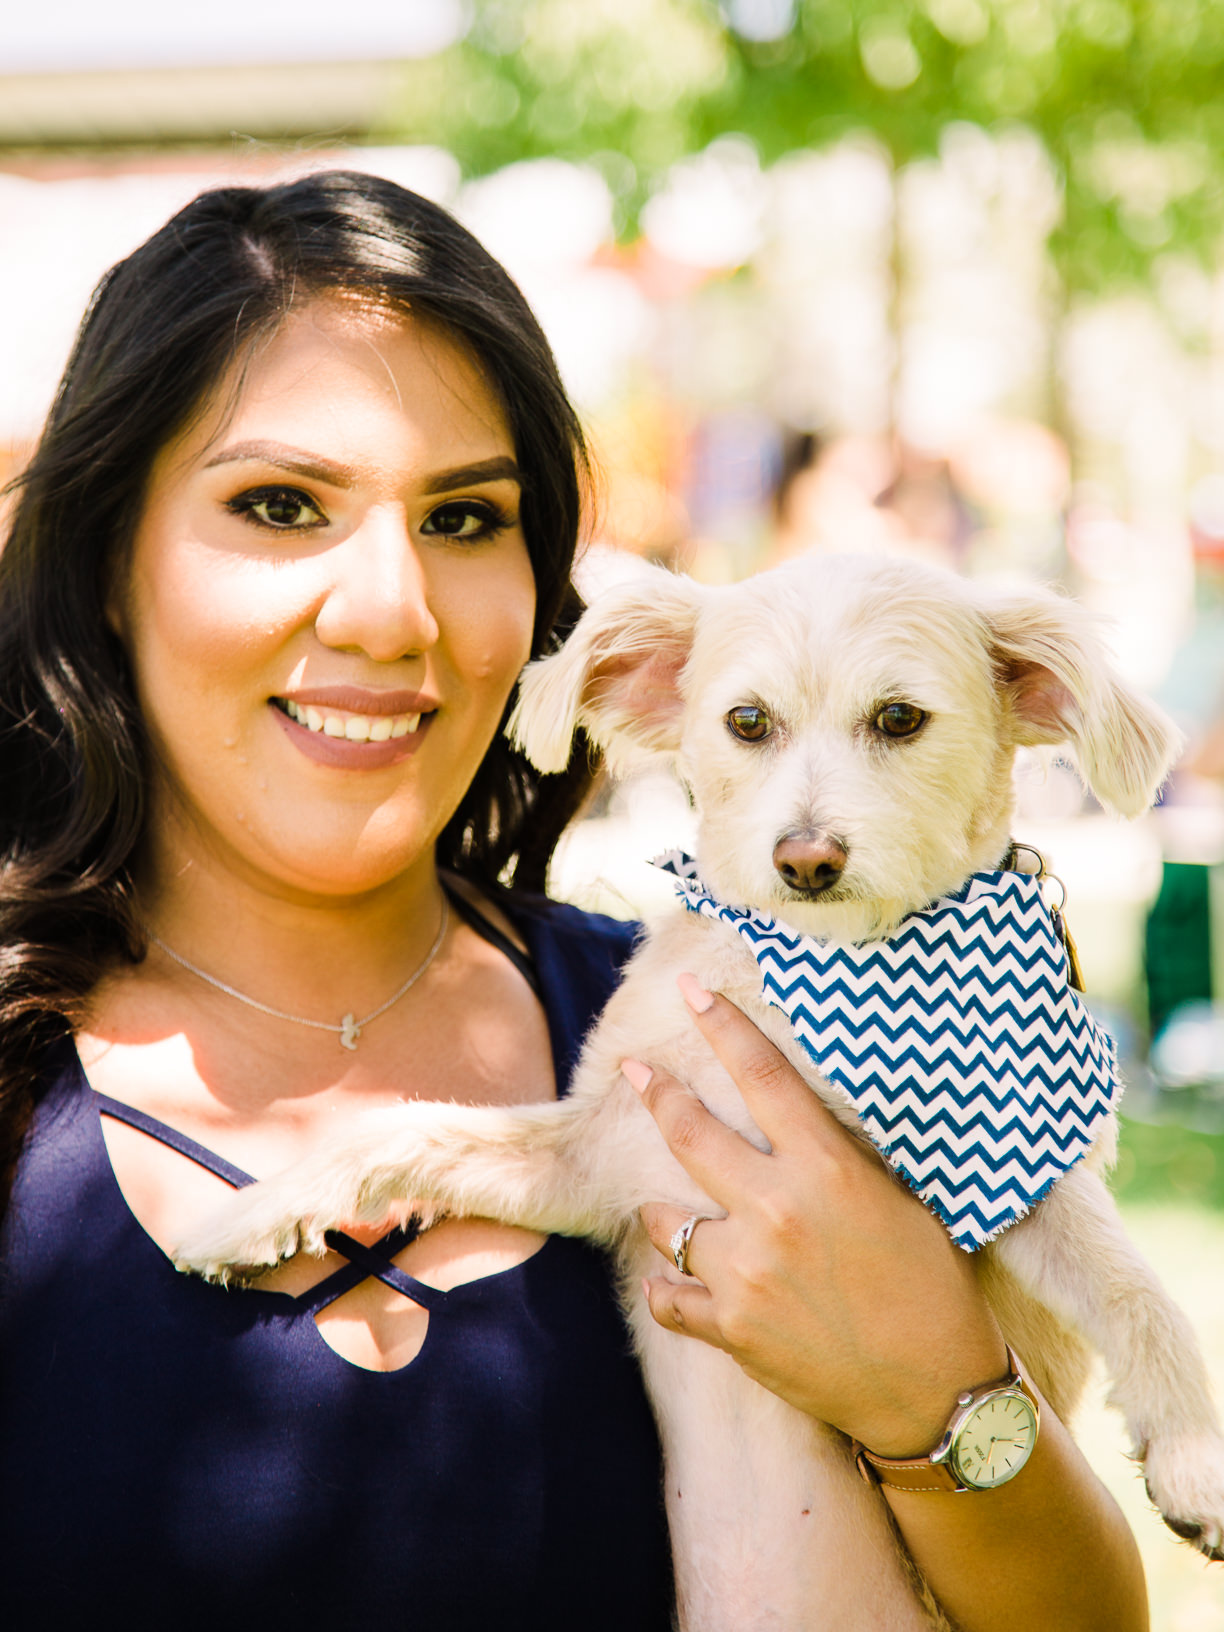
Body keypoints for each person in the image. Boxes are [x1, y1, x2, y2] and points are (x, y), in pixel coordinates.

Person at [0, 171, 1147, 1631]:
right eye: (279, 506)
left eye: (466, 518)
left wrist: (939, 1395)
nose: (387, 610)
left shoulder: (735, 1024)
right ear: (111, 557)